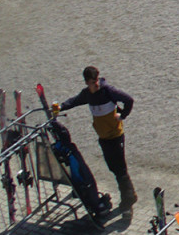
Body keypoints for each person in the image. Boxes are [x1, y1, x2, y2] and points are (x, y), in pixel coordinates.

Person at [55, 66, 137, 211]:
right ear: (87, 82)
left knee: (120, 168)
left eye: (97, 80)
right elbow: (74, 101)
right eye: (93, 82)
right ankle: (128, 196)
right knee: (113, 167)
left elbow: (129, 100)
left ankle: (128, 198)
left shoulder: (108, 91)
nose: (96, 83)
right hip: (103, 137)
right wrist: (60, 107)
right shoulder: (87, 94)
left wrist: (122, 115)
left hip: (115, 136)